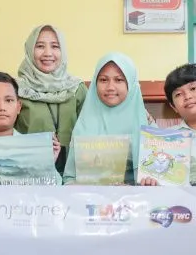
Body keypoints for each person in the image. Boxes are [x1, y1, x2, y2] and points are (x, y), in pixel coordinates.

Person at [0, 25, 84, 174]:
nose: (48, 53)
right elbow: (2, 123)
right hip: (26, 172)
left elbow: (90, 127)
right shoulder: (17, 89)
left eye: (55, 46)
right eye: (40, 46)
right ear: (30, 50)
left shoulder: (76, 88)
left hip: (75, 171)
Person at [63, 53, 150, 185]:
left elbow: (158, 179)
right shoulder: (84, 124)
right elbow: (70, 179)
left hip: (136, 197)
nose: (110, 87)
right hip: (90, 196)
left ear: (131, 84)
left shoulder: (147, 125)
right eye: (103, 80)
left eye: (119, 80)